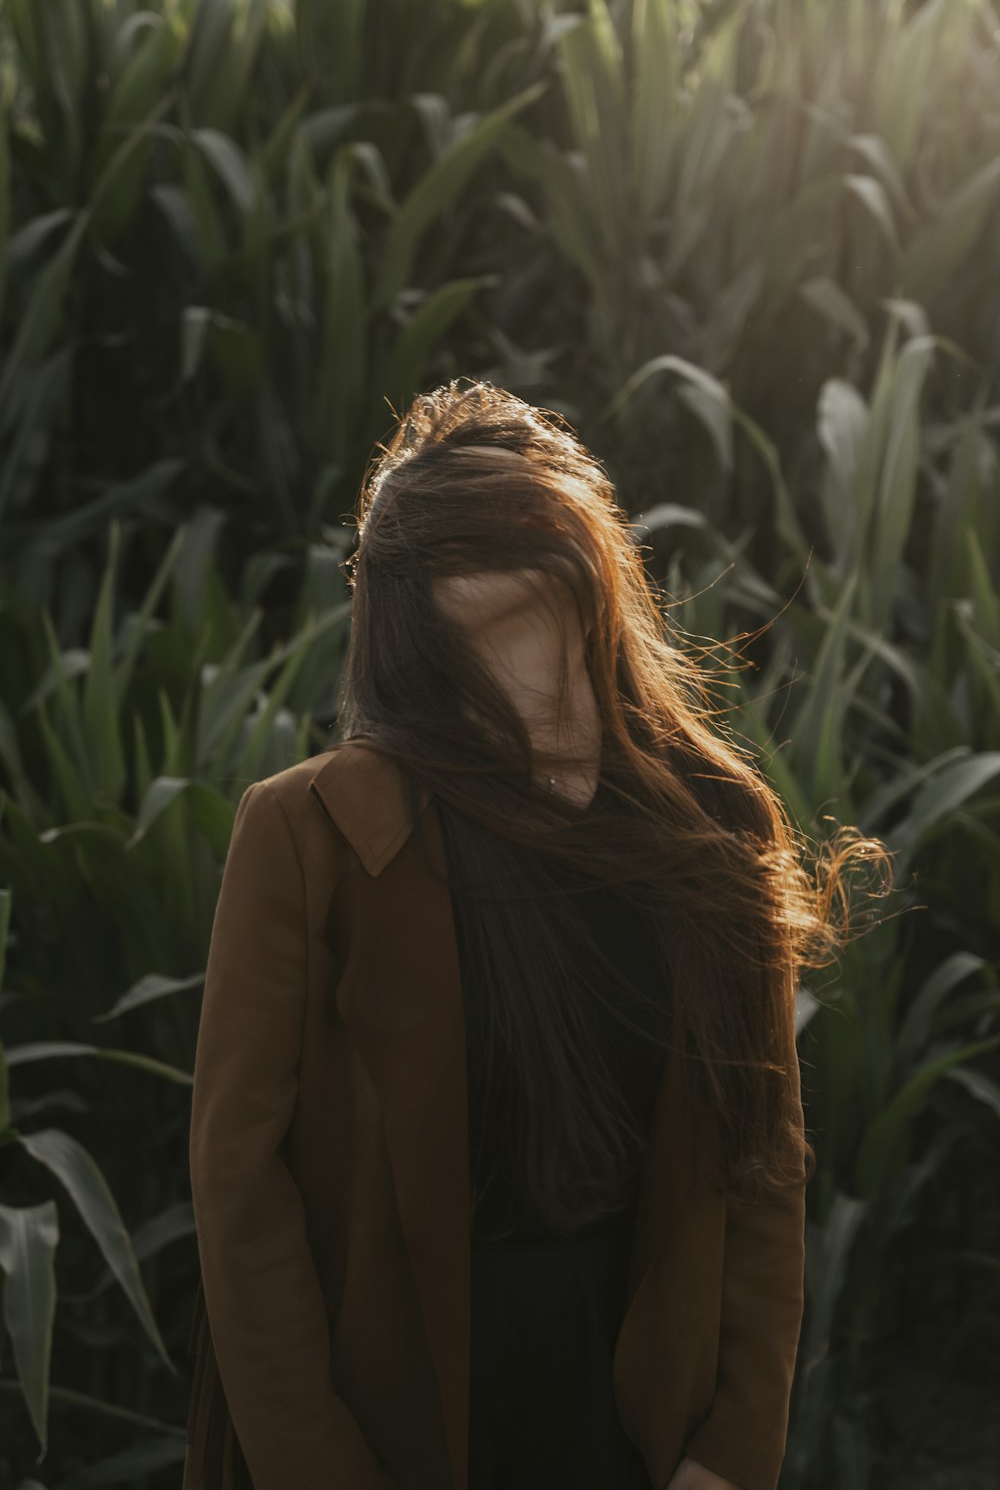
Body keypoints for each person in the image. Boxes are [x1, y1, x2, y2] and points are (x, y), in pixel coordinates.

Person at [182, 379, 889, 1490]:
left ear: (592, 592)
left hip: (630, 1406)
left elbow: (757, 1163)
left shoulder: (708, 822)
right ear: (415, 646)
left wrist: (729, 1452)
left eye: (540, 626)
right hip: (399, 1409)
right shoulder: (313, 833)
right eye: (478, 643)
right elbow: (239, 1190)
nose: (522, 689)